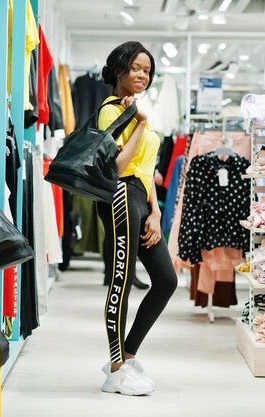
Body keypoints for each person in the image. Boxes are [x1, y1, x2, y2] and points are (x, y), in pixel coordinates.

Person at [97, 41, 178, 396]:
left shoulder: (134, 108)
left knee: (166, 279)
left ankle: (127, 355)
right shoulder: (110, 111)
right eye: (136, 68)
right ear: (119, 70)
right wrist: (141, 124)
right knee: (122, 279)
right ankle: (115, 370)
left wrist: (156, 211)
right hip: (118, 195)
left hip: (141, 200)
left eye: (147, 70)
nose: (142, 75)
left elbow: (146, 170)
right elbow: (115, 166)